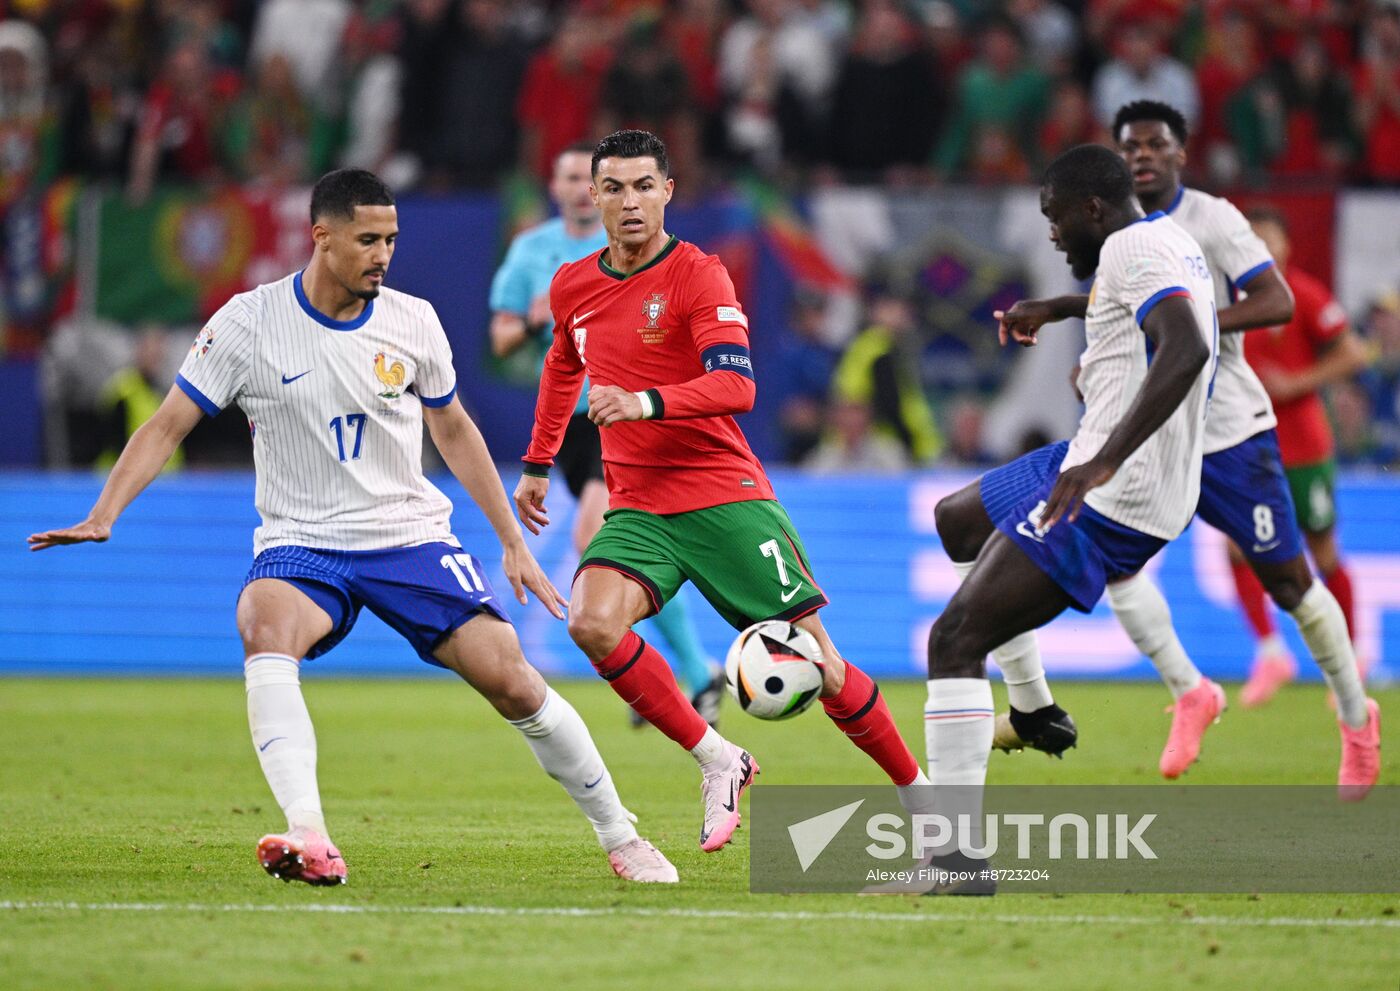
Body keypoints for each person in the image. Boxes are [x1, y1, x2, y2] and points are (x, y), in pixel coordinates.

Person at [28, 168, 678, 886]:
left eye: (392, 240)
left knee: (514, 682)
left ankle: (623, 837)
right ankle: (309, 832)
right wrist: (104, 512)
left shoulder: (412, 320)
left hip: (407, 536)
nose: (383, 254)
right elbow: (167, 423)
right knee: (261, 622)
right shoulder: (248, 323)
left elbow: (455, 430)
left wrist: (512, 542)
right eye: (368, 239)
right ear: (322, 237)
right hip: (301, 542)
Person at [513, 130, 933, 854]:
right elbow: (560, 367)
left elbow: (738, 385)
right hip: (640, 505)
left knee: (825, 667)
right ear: (595, 198)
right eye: (613, 188)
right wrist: (537, 462)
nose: (630, 202)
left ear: (668, 191)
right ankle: (719, 759)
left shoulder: (698, 275)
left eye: (645, 186)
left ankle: (925, 803)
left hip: (722, 494)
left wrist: (642, 403)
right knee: (591, 621)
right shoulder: (574, 285)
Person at [994, 102, 1379, 796]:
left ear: (1181, 153)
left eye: (1156, 144)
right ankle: (1190, 688)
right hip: (1144, 428)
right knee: (1115, 568)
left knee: (1291, 581)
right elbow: (1129, 307)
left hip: (1227, 429)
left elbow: (1275, 299)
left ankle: (1356, 716)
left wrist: (1189, 317)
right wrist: (1062, 310)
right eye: (1130, 145)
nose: (1142, 154)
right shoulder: (1111, 230)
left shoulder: (1214, 219)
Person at [920, 143, 1219, 893]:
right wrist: (1056, 309)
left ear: (1092, 209)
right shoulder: (1158, 241)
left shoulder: (1132, 246)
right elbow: (1137, 307)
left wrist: (1107, 460)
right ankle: (1033, 709)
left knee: (954, 639)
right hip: (1092, 460)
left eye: (1055, 219)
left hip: (1114, 490)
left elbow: (1187, 343)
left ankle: (955, 863)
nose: (1051, 235)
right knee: (958, 519)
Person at [489, 142, 724, 726]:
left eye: (583, 177)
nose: (578, 189)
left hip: (623, 410)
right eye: (570, 178)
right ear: (564, 187)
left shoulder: (630, 242)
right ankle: (691, 673)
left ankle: (685, 674)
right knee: (611, 547)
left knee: (595, 536)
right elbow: (501, 339)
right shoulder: (533, 251)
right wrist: (539, 319)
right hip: (570, 421)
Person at [1233, 205, 1371, 702]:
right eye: (1252, 238)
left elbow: (1355, 352)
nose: (1262, 247)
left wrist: (1298, 382)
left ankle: (1350, 659)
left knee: (1321, 551)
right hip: (1248, 447)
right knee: (1235, 548)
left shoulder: (1302, 293)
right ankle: (1270, 652)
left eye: (1269, 238)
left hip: (1303, 450)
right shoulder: (1231, 299)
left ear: (1286, 246)